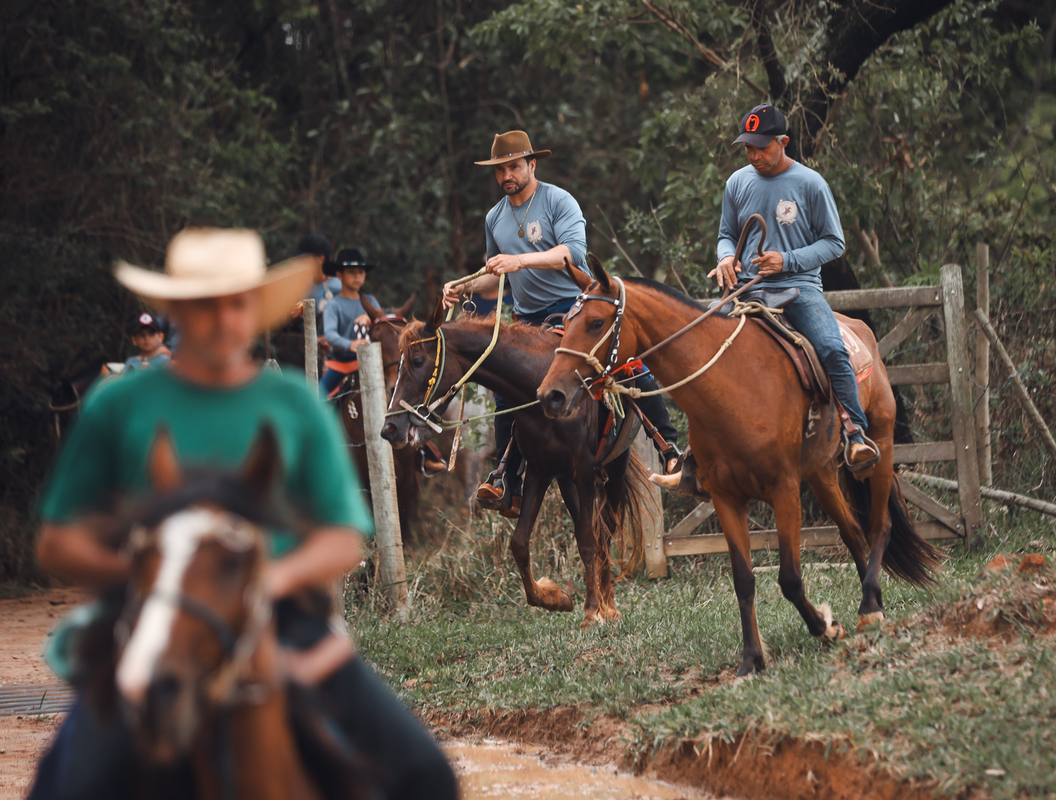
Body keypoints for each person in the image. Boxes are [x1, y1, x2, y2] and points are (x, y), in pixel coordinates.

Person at [29, 227, 458, 800]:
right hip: (147, 620)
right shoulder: (119, 404)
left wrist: (263, 581)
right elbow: (57, 540)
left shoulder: (294, 404)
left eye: (236, 304)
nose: (222, 319)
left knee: (427, 775)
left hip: (282, 618)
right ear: (178, 311)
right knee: (65, 787)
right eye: (204, 305)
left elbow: (342, 536)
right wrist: (163, 575)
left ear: (255, 310)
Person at [442, 130, 681, 518]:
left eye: (514, 167)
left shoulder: (558, 200)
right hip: (527, 320)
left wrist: (520, 260)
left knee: (630, 365)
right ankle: (506, 480)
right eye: (500, 169)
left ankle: (670, 450)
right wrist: (463, 285)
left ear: (532, 164)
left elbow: (571, 254)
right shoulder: (494, 218)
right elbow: (496, 275)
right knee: (504, 386)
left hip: (575, 307)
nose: (507, 175)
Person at [710, 104, 879, 469]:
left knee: (832, 348)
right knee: (703, 344)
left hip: (798, 288)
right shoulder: (736, 183)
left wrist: (786, 261)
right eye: (748, 147)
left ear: (783, 142)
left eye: (761, 147)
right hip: (746, 289)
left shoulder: (811, 184)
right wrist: (725, 258)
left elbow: (834, 243)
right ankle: (700, 452)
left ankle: (855, 436)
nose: (753, 155)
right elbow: (726, 234)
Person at [319, 247, 380, 400]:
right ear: (339, 275)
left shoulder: (371, 301)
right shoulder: (333, 305)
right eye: (351, 272)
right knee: (318, 396)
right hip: (342, 363)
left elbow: (383, 326)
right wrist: (350, 344)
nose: (357, 276)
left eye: (361, 272)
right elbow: (330, 334)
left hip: (371, 362)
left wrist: (372, 319)